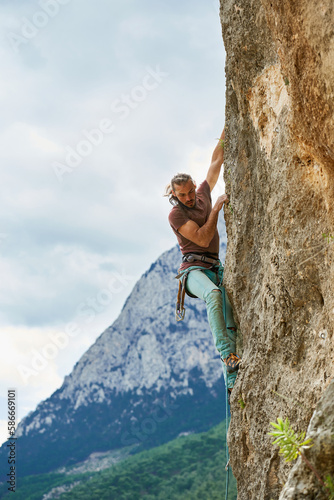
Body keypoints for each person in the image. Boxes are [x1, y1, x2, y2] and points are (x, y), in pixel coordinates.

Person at [165, 129, 241, 400]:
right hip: (193, 271)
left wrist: (226, 127)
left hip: (214, 265)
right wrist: (217, 208)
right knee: (213, 293)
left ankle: (231, 379)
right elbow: (203, 236)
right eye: (181, 195)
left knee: (231, 319)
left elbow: (216, 161)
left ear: (194, 186)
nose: (187, 198)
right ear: (174, 195)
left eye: (189, 192)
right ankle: (225, 353)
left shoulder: (202, 194)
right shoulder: (176, 214)